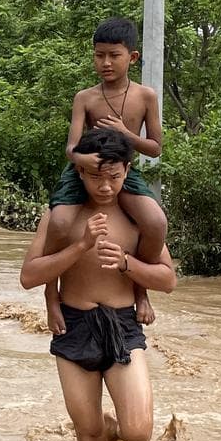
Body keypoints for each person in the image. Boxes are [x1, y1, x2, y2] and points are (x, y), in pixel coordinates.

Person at [20, 129, 176, 441]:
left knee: (138, 434)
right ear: (80, 171)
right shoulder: (62, 215)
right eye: (95, 177)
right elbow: (29, 276)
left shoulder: (137, 218)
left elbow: (168, 279)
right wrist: (80, 246)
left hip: (122, 325)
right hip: (73, 325)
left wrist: (126, 263)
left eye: (115, 177)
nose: (105, 187)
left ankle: (114, 430)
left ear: (128, 170)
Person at [45, 17, 167, 333]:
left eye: (114, 55)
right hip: (82, 171)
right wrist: (88, 161)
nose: (106, 63)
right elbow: (71, 148)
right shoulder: (85, 97)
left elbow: (155, 148)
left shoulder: (146, 96)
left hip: (121, 171)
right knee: (58, 223)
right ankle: (51, 296)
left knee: (155, 222)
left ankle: (141, 292)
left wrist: (127, 134)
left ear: (133, 57)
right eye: (99, 55)